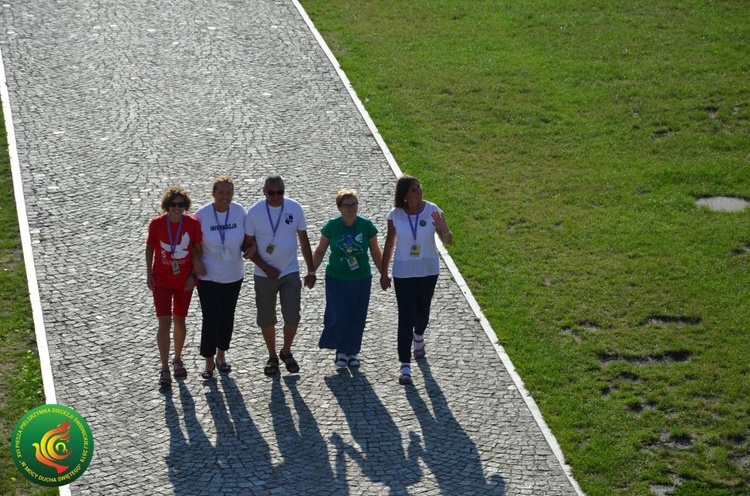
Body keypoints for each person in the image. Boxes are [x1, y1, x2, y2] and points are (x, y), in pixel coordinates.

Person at [380, 176, 452, 385]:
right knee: (406, 318)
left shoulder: (433, 210)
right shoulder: (395, 215)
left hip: (428, 270)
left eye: (419, 187)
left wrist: (444, 227)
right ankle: (404, 366)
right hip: (403, 272)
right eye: (414, 189)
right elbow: (389, 243)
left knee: (422, 314)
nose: (419, 191)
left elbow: (448, 240)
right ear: (404, 195)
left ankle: (418, 336)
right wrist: (384, 273)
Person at [242, 175, 316, 376]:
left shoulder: (294, 207)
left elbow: (303, 240)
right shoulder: (255, 212)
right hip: (264, 275)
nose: (276, 196)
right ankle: (272, 355)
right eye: (271, 193)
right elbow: (246, 245)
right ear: (264, 192)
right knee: (266, 318)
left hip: (290, 271)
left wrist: (311, 270)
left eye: (280, 192)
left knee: (292, 316)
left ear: (284, 190)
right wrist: (266, 268)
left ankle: (286, 351)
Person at [312, 189, 383, 368]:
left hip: (361, 278)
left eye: (354, 204)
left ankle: (351, 351)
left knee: (357, 316)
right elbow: (320, 251)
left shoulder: (366, 226)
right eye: (347, 205)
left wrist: (384, 273)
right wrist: (311, 271)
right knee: (340, 314)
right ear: (339, 208)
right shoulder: (332, 226)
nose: (351, 208)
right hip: (336, 278)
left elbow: (375, 252)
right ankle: (340, 350)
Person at [194, 176, 256, 379]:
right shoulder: (202, 215)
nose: (225, 196)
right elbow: (193, 243)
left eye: (229, 192)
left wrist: (252, 247)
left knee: (227, 316)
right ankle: (209, 360)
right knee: (210, 318)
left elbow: (249, 237)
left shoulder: (239, 211)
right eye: (221, 192)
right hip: (209, 276)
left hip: (233, 274)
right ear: (213, 193)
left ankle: (222, 354)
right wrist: (196, 263)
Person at [146, 186, 205, 386]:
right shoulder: (156, 224)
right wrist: (148, 273)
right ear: (166, 206)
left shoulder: (192, 224)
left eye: (181, 205)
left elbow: (198, 250)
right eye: (173, 205)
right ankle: (164, 368)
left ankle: (177, 358)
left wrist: (194, 275)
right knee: (164, 323)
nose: (177, 208)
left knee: (180, 320)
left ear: (186, 206)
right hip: (161, 280)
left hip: (184, 280)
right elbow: (150, 247)